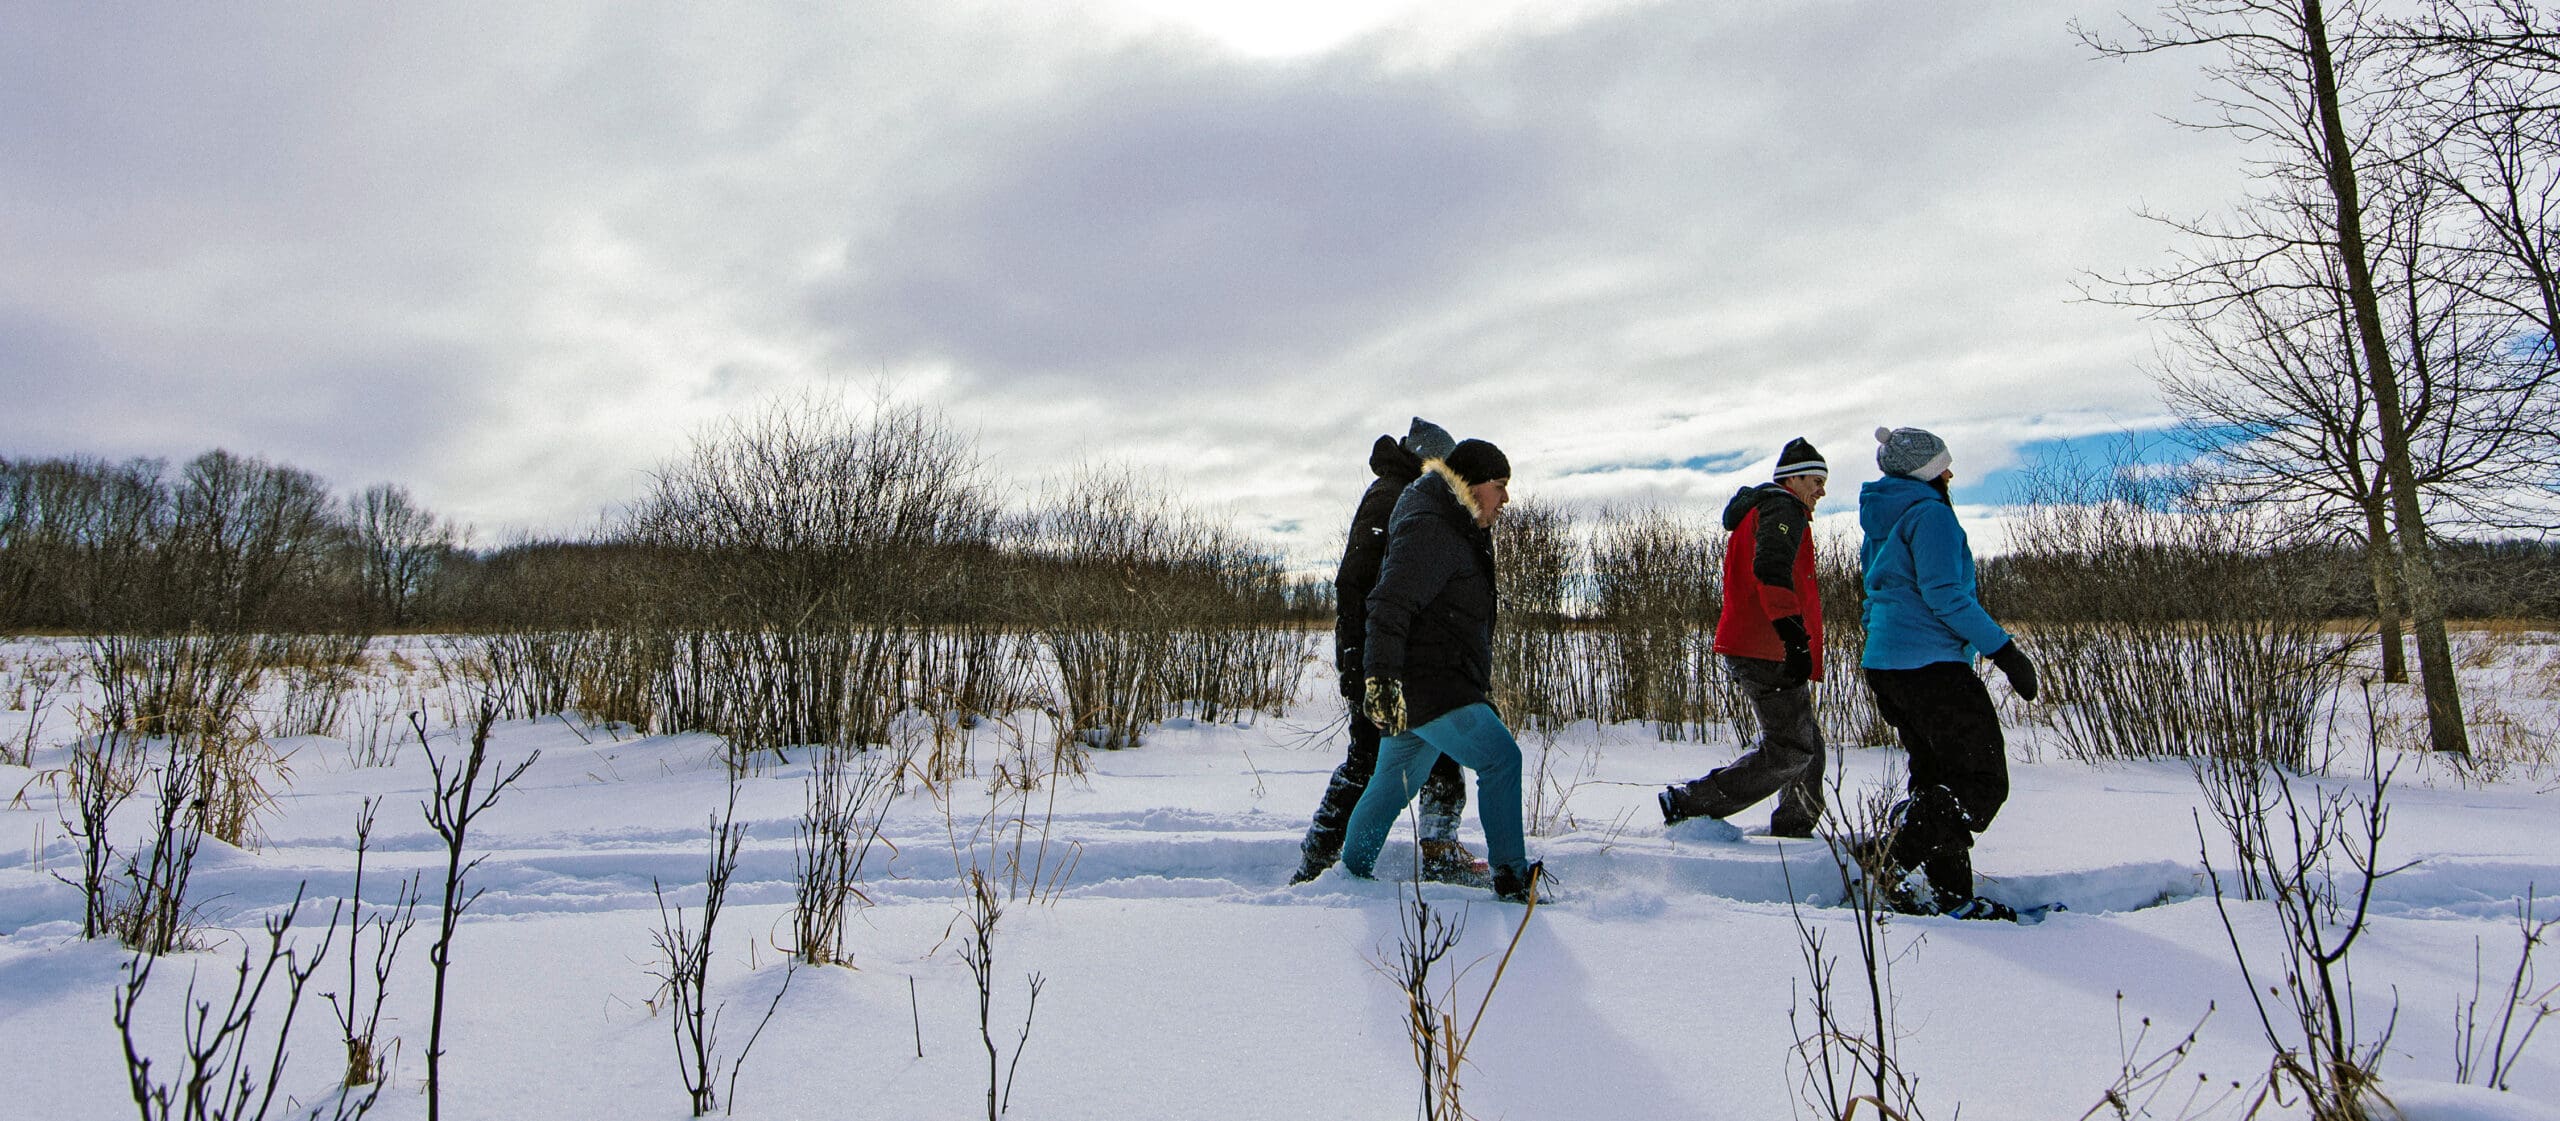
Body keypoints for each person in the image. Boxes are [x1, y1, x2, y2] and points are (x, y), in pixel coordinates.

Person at [1338, 437, 1541, 902]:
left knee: (1392, 784)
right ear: (1472, 484)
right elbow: (1389, 602)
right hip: (1434, 684)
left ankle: (1350, 875)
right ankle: (1512, 879)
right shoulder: (1434, 527)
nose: (1505, 498)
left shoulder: (1456, 526)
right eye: (1500, 486)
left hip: (1430, 683)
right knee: (1501, 759)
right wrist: (1381, 677)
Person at [1856, 426, 2039, 920]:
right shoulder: (1930, 516)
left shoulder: (1882, 520)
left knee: (1937, 779)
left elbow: (1873, 600)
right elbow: (1945, 595)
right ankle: (1890, 855)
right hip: (1931, 666)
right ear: (1926, 474)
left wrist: (1879, 649)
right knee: (1981, 782)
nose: (1951, 473)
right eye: (1942, 466)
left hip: (1889, 666)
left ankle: (1951, 897)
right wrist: (2005, 651)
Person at [1290, 418, 1481, 885]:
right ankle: (1319, 863)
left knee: (1442, 751)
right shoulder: (1391, 496)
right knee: (1368, 762)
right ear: (1429, 461)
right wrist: (1360, 661)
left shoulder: (1415, 498)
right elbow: (1357, 586)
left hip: (1410, 662)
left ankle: (1439, 849)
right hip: (1379, 660)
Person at [1661, 437, 1829, 837]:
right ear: (1793, 478)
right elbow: (1770, 571)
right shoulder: (1781, 508)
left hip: (1761, 643)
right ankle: (1690, 802)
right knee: (1791, 747)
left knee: (1807, 744)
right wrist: (1794, 638)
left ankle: (1794, 828)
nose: (1822, 490)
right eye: (1816, 480)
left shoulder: (1767, 510)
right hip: (1764, 646)